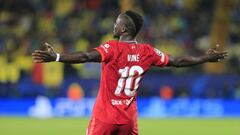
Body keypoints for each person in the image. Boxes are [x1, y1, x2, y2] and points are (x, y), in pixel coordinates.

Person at [32, 10, 227, 135]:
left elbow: (85, 56)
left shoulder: (111, 48)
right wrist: (204, 58)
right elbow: (176, 61)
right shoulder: (147, 52)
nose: (113, 25)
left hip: (104, 118)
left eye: (116, 22)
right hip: (128, 119)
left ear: (123, 28)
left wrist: (56, 57)